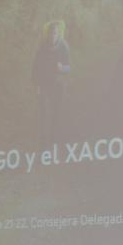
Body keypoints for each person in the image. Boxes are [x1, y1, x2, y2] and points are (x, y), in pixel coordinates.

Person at [32, 19, 70, 148]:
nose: (52, 36)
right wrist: (37, 85)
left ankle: (54, 139)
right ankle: (43, 140)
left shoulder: (63, 46)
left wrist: (62, 68)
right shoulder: (42, 48)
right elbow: (35, 68)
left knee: (56, 112)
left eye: (55, 33)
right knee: (43, 113)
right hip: (43, 85)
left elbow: (69, 68)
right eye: (51, 33)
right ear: (47, 34)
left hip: (58, 85)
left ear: (58, 34)